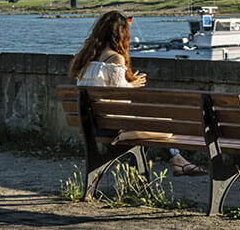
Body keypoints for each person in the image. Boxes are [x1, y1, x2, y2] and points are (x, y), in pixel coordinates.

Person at [70, 10, 204, 177]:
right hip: (112, 128)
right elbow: (120, 95)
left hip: (91, 126)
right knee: (160, 124)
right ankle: (150, 172)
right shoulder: (115, 59)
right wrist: (132, 85)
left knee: (149, 124)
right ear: (121, 34)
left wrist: (128, 85)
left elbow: (108, 91)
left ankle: (177, 160)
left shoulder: (86, 58)